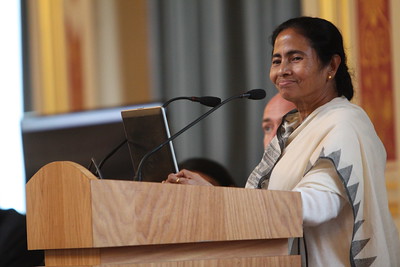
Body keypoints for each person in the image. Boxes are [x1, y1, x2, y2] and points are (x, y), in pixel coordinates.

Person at [165, 16, 400, 266]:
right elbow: (265, 206)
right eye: (277, 60)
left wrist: (216, 198)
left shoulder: (344, 122)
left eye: (295, 58)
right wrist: (214, 197)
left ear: (331, 65)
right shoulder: (296, 129)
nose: (282, 70)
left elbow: (319, 205)